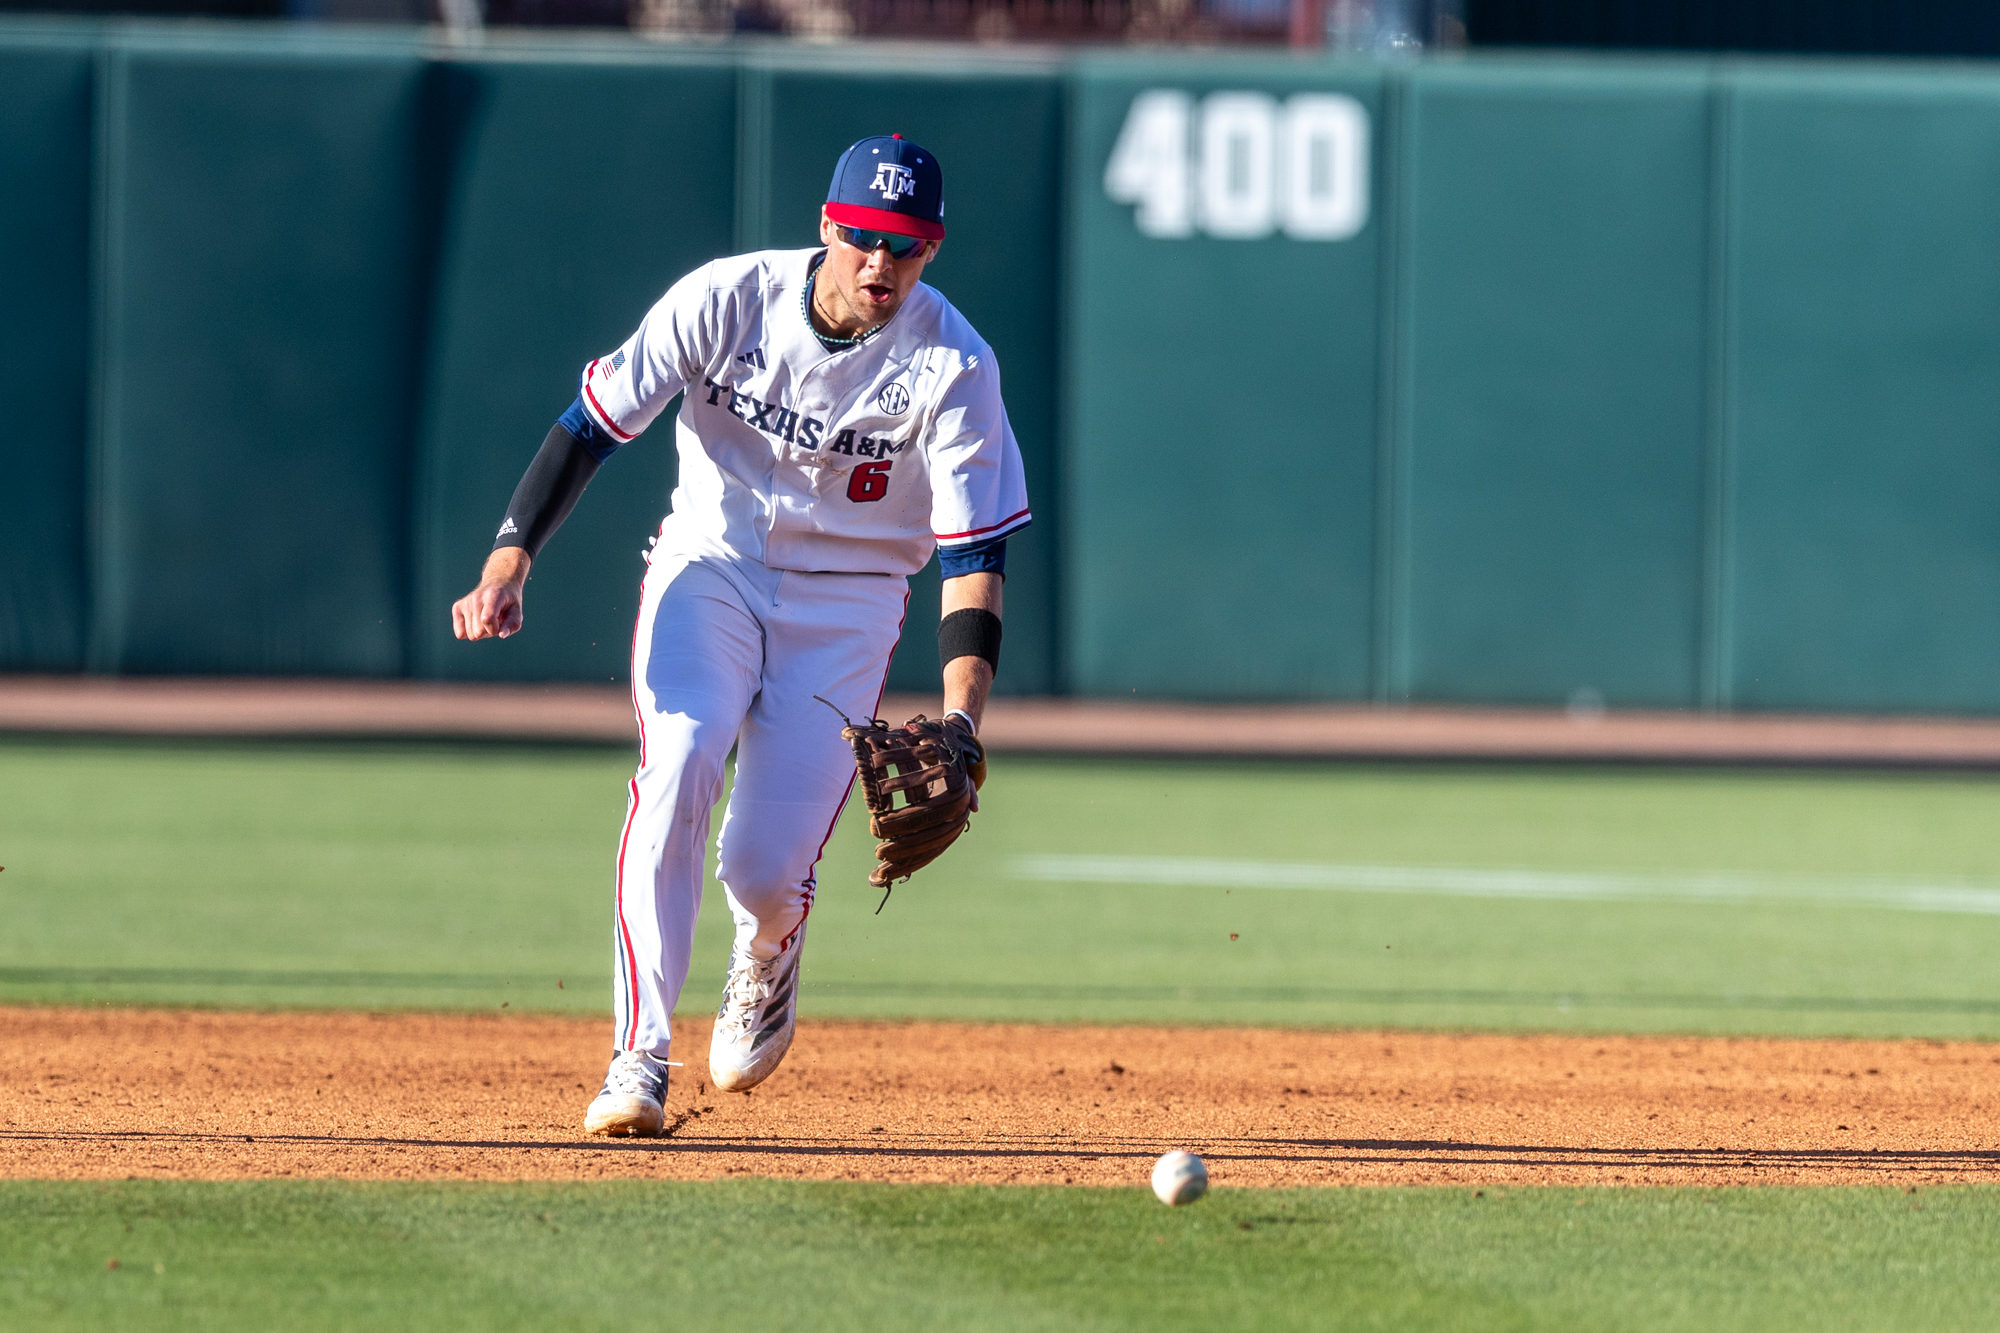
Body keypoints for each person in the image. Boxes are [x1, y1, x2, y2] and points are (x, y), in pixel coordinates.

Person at [450, 135, 1030, 1137]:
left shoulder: (953, 363)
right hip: (709, 565)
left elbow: (973, 556)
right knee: (675, 762)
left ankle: (768, 948)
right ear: (825, 226)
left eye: (903, 244)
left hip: (848, 602)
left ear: (931, 247)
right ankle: (637, 1057)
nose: (877, 264)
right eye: (860, 237)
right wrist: (510, 556)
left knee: (761, 870)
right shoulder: (725, 300)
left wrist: (961, 721)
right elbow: (590, 423)